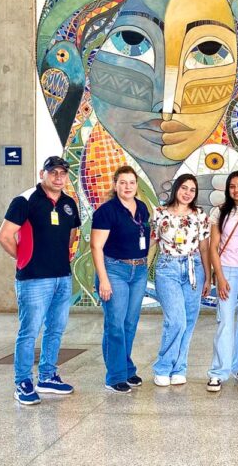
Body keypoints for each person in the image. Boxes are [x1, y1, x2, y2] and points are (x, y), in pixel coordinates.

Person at [0, 156, 81, 405]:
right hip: (34, 279)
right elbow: (4, 236)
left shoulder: (68, 203)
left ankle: (47, 375)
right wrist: (24, 258)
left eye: (63, 173)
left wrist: (63, 258)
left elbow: (72, 233)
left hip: (62, 277)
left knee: (56, 329)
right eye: (53, 172)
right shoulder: (25, 200)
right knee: (29, 332)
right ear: (42, 173)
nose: (58, 177)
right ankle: (23, 381)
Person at [90, 165, 151, 394]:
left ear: (137, 186)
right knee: (115, 323)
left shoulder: (142, 208)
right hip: (114, 270)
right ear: (115, 185)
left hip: (139, 271)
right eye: (123, 182)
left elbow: (145, 237)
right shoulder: (106, 211)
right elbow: (96, 246)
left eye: (131, 183)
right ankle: (114, 376)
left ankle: (126, 367)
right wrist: (103, 280)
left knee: (130, 322)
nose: (127, 187)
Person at [152, 173, 211, 386]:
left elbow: (205, 248)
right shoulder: (159, 213)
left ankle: (179, 368)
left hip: (194, 268)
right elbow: (150, 242)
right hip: (167, 268)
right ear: (176, 188)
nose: (187, 193)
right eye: (184, 188)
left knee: (188, 321)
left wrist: (208, 277)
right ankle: (163, 367)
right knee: (175, 319)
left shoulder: (200, 215)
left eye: (192, 190)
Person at [206, 171, 238, 392]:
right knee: (225, 320)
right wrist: (220, 276)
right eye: (232, 186)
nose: (237, 190)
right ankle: (218, 372)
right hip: (227, 269)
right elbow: (213, 247)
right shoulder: (220, 212)